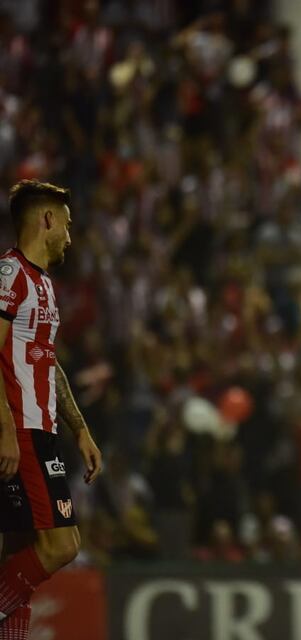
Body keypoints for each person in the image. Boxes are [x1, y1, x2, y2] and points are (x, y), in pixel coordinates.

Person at [0, 180, 103, 639]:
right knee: (61, 546)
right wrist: (4, 426)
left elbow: (47, 359)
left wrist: (79, 427)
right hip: (19, 428)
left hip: (41, 426)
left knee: (20, 551)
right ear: (46, 220)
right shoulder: (9, 274)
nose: (69, 235)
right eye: (67, 224)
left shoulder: (41, 283)